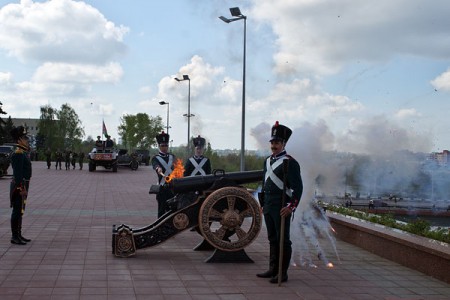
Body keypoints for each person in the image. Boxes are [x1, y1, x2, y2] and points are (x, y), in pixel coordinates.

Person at [257, 121, 303, 284]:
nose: (274, 145)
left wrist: (291, 207)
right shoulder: (267, 161)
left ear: (283, 144)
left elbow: (298, 189)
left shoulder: (291, 163)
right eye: (272, 142)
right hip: (269, 206)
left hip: (282, 207)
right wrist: (262, 204)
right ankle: (272, 269)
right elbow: (264, 184)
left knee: (283, 240)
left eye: (277, 143)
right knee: (272, 239)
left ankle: (282, 272)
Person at [9, 126, 32, 245]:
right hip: (19, 185)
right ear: (19, 140)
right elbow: (18, 175)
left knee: (21, 210)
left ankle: (18, 234)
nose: (27, 140)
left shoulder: (23, 152)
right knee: (17, 210)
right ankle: (14, 236)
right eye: (24, 138)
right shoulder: (18, 153)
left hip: (23, 184)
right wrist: (22, 188)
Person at [151, 131, 175, 218]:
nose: (165, 148)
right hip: (162, 187)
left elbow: (176, 167)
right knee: (161, 210)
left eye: (166, 145)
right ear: (159, 146)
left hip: (172, 187)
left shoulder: (172, 157)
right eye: (162, 146)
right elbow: (155, 165)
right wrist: (158, 168)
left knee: (172, 210)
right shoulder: (155, 158)